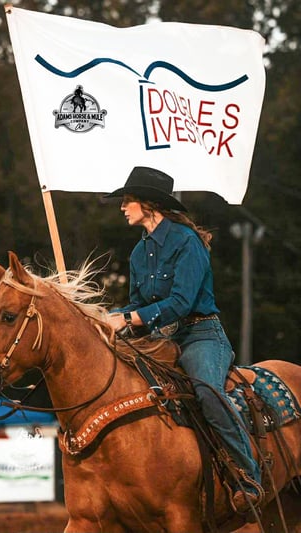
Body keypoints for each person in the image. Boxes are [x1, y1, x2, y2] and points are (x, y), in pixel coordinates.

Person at [104, 166, 263, 514]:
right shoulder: (138, 252)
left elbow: (181, 303)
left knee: (207, 392)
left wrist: (127, 319)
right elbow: (138, 304)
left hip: (200, 334)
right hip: (162, 339)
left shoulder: (187, 242)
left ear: (149, 204)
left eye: (127, 200)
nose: (122, 207)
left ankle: (247, 477)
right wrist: (106, 318)